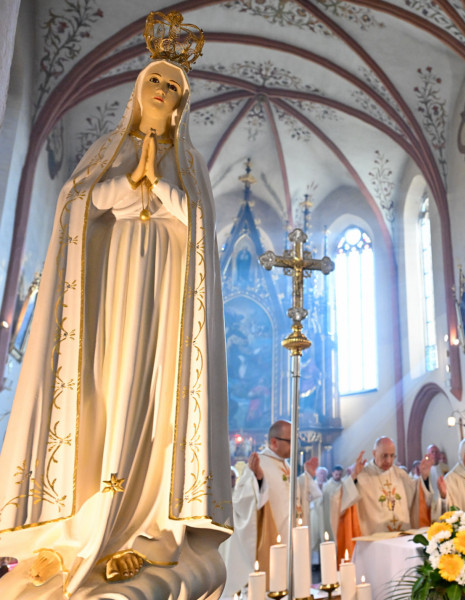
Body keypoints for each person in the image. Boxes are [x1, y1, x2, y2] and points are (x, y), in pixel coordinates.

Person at [0, 12, 232, 598]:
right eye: (155, 80)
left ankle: (146, 527)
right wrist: (134, 186)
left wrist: (166, 191)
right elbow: (78, 205)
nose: (161, 90)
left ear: (181, 104)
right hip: (110, 288)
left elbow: (199, 226)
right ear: (138, 91)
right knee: (103, 390)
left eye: (173, 86)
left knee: (152, 400)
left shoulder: (193, 163)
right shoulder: (111, 146)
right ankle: (81, 524)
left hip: (163, 299)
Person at [220, 421, 321, 596]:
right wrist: (259, 480)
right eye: (290, 441)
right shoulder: (260, 464)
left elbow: (294, 499)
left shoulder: (286, 465)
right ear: (274, 442)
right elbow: (241, 501)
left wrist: (307, 478)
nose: (294, 446)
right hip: (272, 541)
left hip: (292, 539)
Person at [343, 437, 437, 538]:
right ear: (374, 453)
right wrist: (353, 477)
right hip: (375, 541)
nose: (388, 460)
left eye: (392, 456)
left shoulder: (401, 474)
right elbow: (344, 502)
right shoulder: (362, 475)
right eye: (384, 456)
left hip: (402, 537)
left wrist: (424, 477)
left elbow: (417, 497)